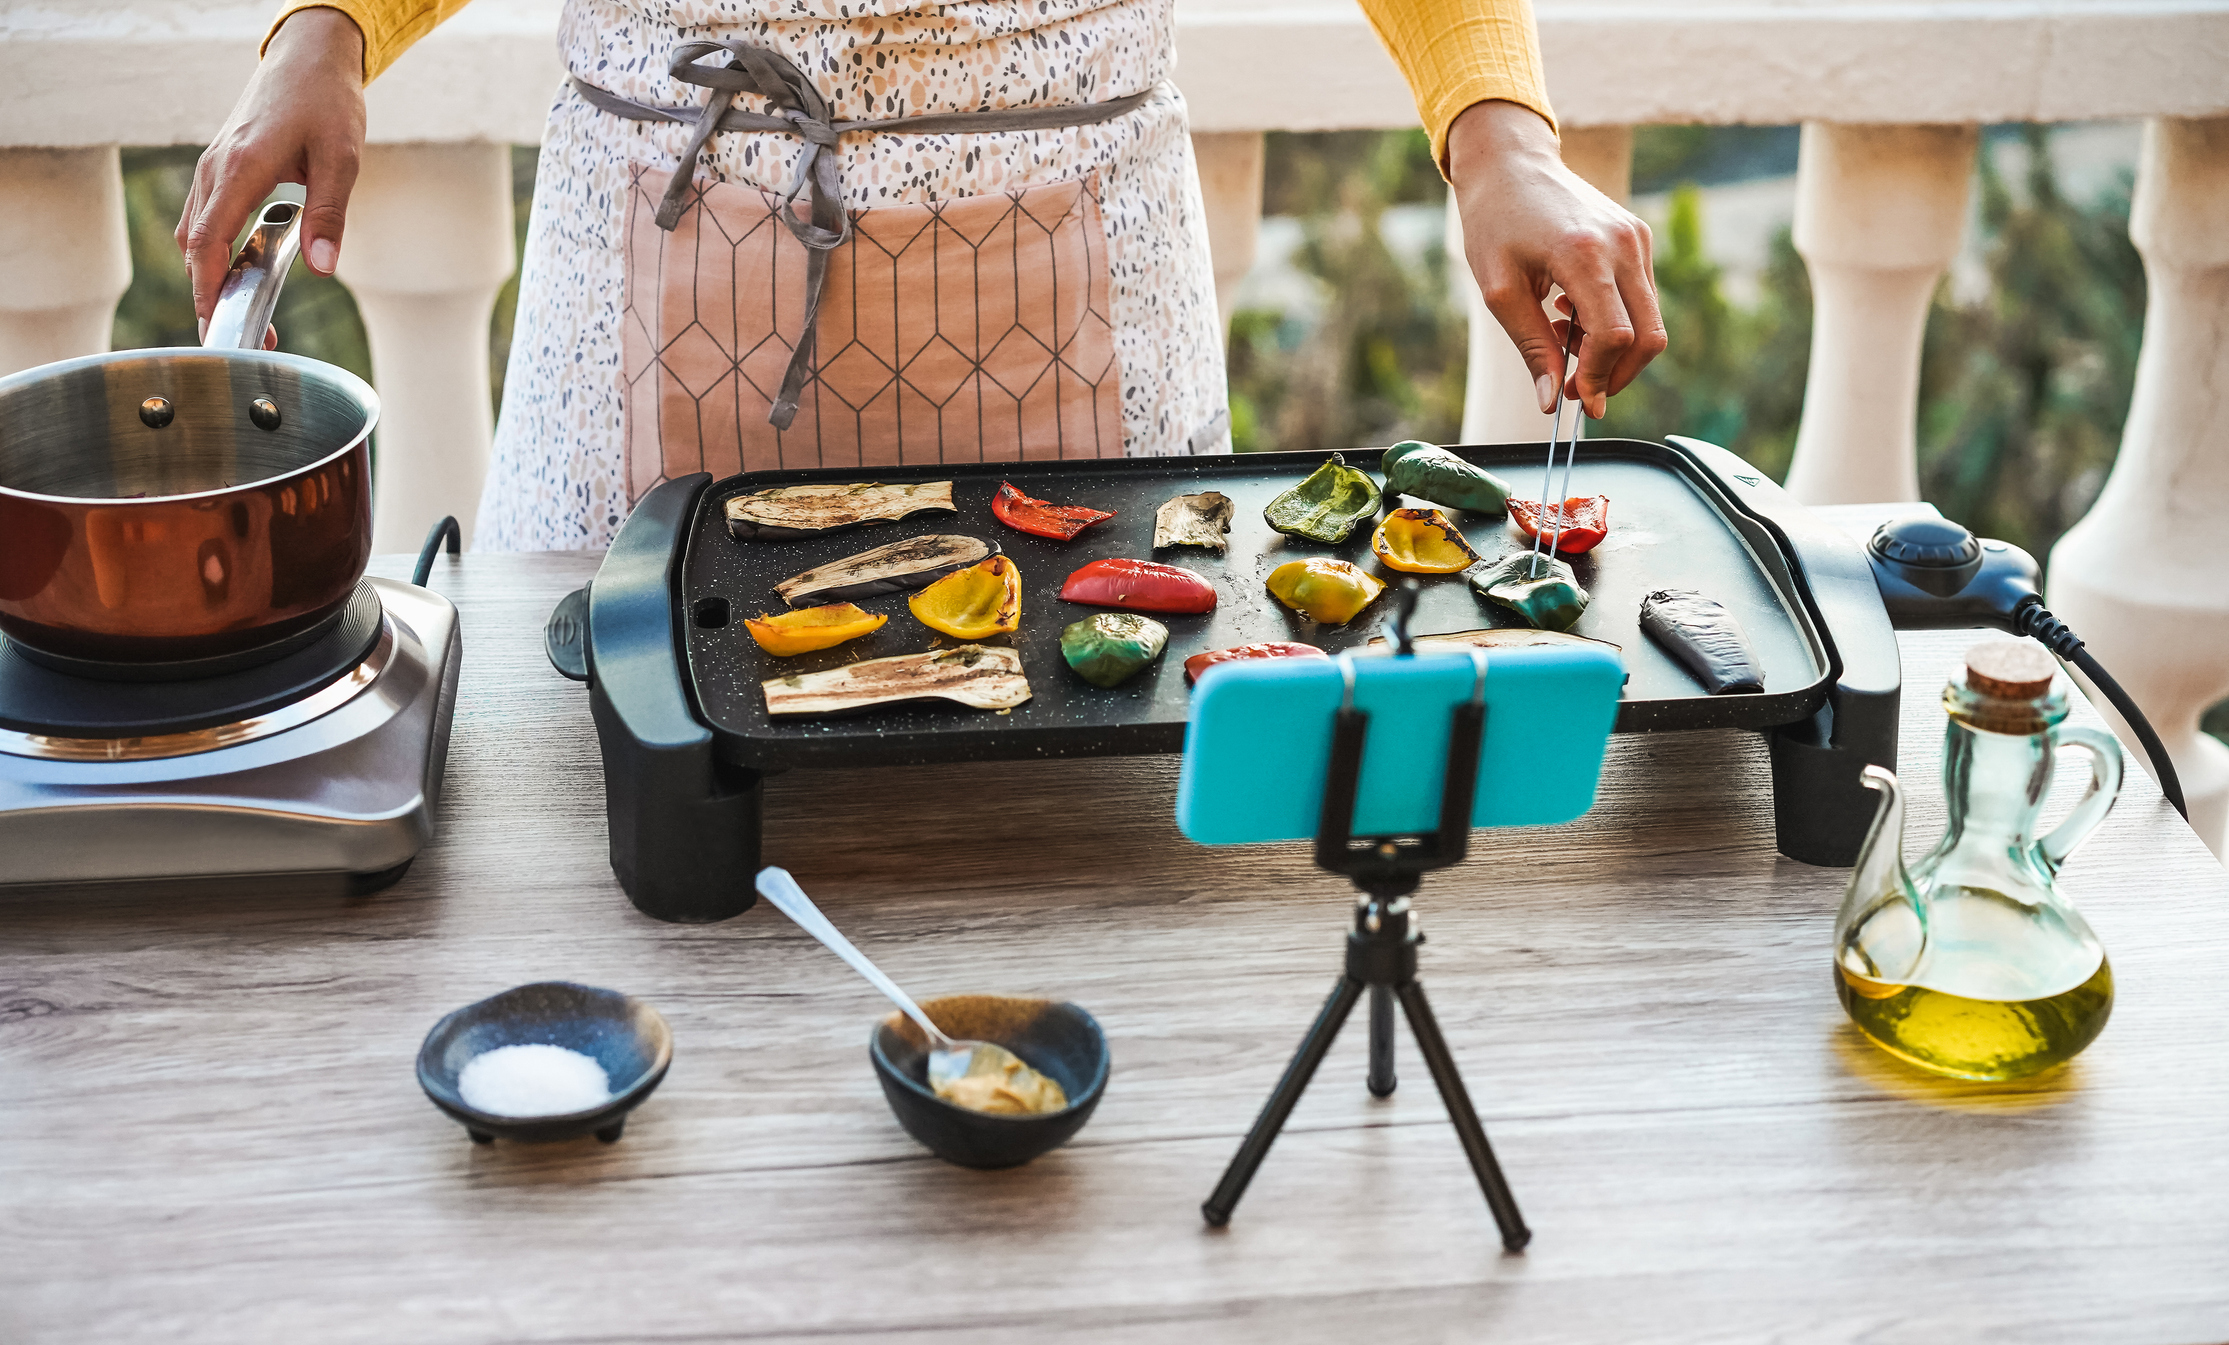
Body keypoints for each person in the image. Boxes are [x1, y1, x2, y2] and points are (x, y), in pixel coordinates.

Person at [180, 0, 1664, 550]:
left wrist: (1494, 134)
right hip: (658, 246)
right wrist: (332, 25)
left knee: (1091, 814)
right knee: (606, 797)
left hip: (1083, 260)